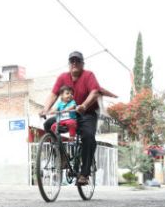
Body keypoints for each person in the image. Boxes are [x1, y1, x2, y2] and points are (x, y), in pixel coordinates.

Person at [39, 51, 119, 185]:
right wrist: (45, 109)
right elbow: (53, 95)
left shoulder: (88, 75)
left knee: (88, 136)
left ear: (82, 63)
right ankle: (61, 157)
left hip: (86, 113)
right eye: (72, 61)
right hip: (67, 114)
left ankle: (84, 174)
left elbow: (94, 92)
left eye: (77, 61)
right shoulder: (62, 77)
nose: (74, 63)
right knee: (48, 125)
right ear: (69, 64)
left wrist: (84, 105)